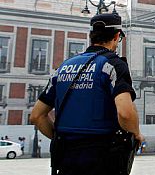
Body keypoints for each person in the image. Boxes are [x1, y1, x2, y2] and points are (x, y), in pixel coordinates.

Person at [30, 13, 143, 175]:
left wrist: (62, 139)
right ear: (117, 36)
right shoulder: (113, 65)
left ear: (91, 36)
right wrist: (136, 133)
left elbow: (36, 116)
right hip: (102, 158)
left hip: (65, 159)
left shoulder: (63, 68)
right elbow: (125, 113)